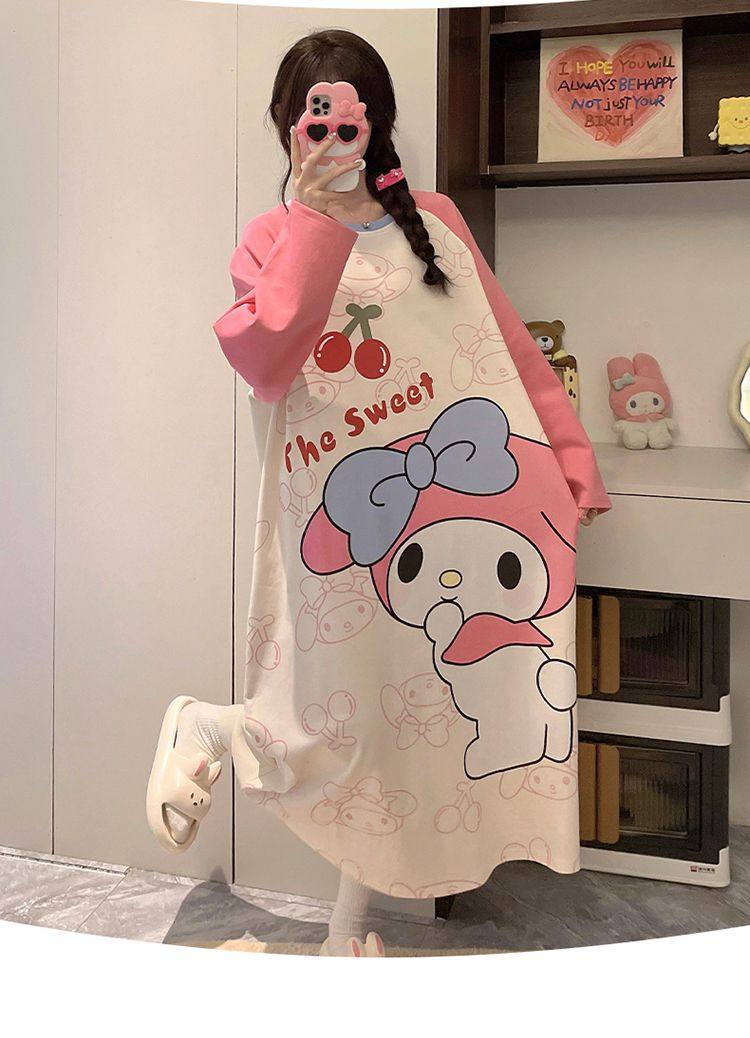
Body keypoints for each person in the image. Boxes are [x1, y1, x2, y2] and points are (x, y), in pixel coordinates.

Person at [146, 28, 611, 958]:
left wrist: (569, 460)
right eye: (310, 117)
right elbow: (266, 360)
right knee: (341, 714)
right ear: (287, 124)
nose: (328, 133)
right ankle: (212, 726)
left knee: (410, 719)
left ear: (378, 122)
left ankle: (344, 937)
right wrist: (316, 218)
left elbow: (508, 352)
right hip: (343, 514)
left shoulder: (435, 221)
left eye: (345, 116)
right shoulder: (271, 238)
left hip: (452, 506)